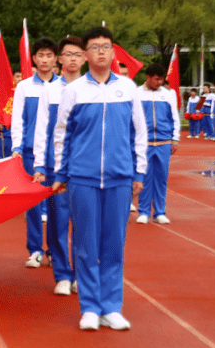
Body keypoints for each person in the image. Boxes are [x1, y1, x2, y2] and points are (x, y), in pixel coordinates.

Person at [51, 27, 146, 332]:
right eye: (95, 47)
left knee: (114, 245)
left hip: (119, 177)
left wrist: (138, 172)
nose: (101, 52)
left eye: (106, 47)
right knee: (85, 244)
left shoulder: (129, 89)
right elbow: (61, 134)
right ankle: (90, 307)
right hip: (83, 177)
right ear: (85, 55)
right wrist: (61, 172)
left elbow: (139, 134)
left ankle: (111, 307)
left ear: (113, 52)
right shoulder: (74, 90)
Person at [33, 36, 86, 295]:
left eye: (78, 54)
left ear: (84, 57)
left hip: (85, 168)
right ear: (59, 59)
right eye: (68, 54)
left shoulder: (92, 89)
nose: (73, 58)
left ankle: (80, 274)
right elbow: (42, 129)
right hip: (56, 168)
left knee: (84, 223)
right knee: (57, 221)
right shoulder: (50, 91)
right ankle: (63, 274)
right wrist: (40, 165)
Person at [10, 37, 59, 272]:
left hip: (58, 154)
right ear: (34, 59)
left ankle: (54, 250)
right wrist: (17, 148)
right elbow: (17, 119)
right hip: (31, 152)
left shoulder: (64, 87)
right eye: (41, 55)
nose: (45, 60)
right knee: (33, 202)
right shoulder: (24, 87)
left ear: (56, 59)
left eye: (49, 55)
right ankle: (36, 250)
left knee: (56, 204)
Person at [135, 64, 179, 224]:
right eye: (156, 79)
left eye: (161, 79)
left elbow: (174, 117)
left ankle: (159, 211)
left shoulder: (168, 95)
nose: (159, 82)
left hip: (164, 141)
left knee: (161, 177)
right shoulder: (137, 94)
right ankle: (144, 212)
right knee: (144, 177)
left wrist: (175, 138)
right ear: (148, 77)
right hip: (144, 143)